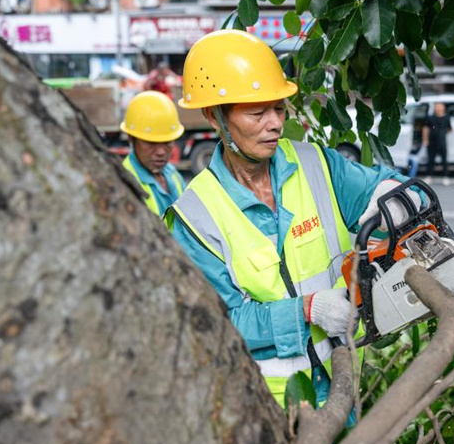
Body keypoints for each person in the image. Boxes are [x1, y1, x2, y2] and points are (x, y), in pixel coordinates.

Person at [165, 30, 421, 408]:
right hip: (263, 406)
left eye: (279, 109)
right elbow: (217, 321)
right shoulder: (194, 216)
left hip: (343, 383)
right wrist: (306, 310)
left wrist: (397, 200)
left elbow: (382, 186)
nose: (275, 123)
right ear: (214, 117)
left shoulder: (314, 163)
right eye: (257, 112)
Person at [120, 90, 187, 216]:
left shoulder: (173, 175)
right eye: (151, 143)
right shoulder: (125, 183)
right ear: (131, 138)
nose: (161, 152)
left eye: (167, 142)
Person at [423, 102, 451, 186]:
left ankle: (445, 177)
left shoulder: (446, 118)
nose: (437, 108)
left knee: (444, 160)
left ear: (443, 108)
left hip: (442, 142)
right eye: (436, 107)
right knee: (431, 160)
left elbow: (450, 128)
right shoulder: (430, 118)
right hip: (432, 141)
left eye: (439, 107)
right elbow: (425, 128)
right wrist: (425, 140)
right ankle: (429, 176)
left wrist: (443, 133)